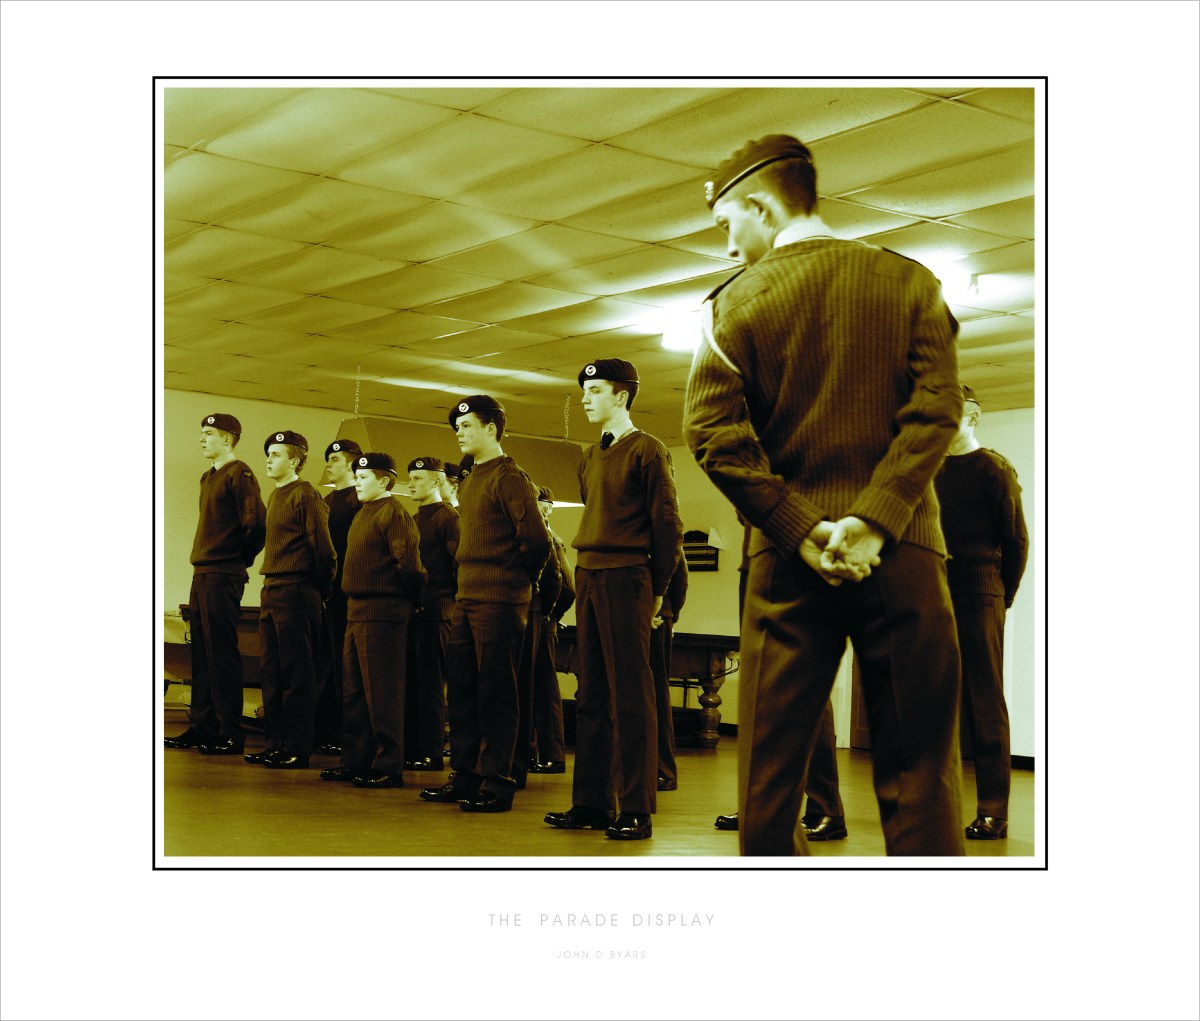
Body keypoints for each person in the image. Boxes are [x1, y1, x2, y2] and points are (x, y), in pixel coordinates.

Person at [684, 134, 965, 856]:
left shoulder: (730, 307)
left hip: (786, 567)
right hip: (904, 555)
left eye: (727, 225)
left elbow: (713, 434)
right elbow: (937, 410)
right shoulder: (912, 284)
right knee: (922, 773)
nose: (728, 246)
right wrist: (874, 521)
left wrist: (802, 529)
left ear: (760, 206)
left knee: (769, 783)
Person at [545, 359, 683, 841]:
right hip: (590, 574)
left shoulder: (648, 450)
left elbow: (667, 524)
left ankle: (636, 807)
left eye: (596, 390)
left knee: (631, 696)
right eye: (584, 390)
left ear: (622, 396)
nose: (586, 398)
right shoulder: (589, 456)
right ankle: (591, 803)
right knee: (592, 694)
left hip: (628, 578)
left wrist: (659, 589)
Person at [419, 395, 550, 814]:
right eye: (457, 427)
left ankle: (497, 781)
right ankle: (466, 775)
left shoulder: (510, 477)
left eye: (467, 426)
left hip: (500, 598)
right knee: (462, 690)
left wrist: (517, 581)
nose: (459, 433)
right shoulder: (472, 478)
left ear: (491, 429)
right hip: (467, 597)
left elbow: (537, 541)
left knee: (496, 692)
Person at [934, 384, 1029, 840]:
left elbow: (1017, 541)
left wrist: (999, 596)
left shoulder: (993, 469)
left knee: (985, 702)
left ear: (971, 417)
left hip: (980, 596)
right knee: (936, 702)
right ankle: (939, 803)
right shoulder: (929, 471)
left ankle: (994, 810)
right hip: (935, 598)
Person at [320, 453, 425, 788]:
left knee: (383, 692)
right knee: (353, 693)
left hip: (383, 613)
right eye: (356, 477)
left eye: (363, 477)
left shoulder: (394, 514)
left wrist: (411, 602)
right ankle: (356, 760)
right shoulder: (363, 513)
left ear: (384, 481)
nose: (357, 483)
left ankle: (388, 765)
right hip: (356, 611)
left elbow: (410, 568)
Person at [166, 413, 266, 755]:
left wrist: (237, 561)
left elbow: (256, 526)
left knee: (221, 653)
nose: (202, 438)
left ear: (227, 439)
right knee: (202, 653)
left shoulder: (240, 474)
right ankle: (203, 725)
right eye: (202, 433)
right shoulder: (208, 476)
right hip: (203, 571)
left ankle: (229, 732)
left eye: (209, 433)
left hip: (223, 573)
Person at [245, 430, 336, 770]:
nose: (269, 460)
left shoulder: (306, 495)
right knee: (272, 672)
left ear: (295, 460)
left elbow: (324, 551)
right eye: (268, 454)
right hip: (272, 589)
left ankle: (297, 747)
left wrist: (318, 591)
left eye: (276, 454)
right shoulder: (276, 495)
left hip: (297, 590)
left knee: (297, 674)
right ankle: (275, 744)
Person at [403, 456, 458, 772]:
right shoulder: (413, 519)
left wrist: (449, 603)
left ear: (437, 481)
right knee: (413, 683)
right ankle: (413, 747)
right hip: (414, 613)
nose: (411, 484)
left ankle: (431, 750)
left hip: (437, 612)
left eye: (418, 479)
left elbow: (458, 565)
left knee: (431, 684)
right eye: (410, 478)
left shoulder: (447, 518)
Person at [313, 438, 362, 756]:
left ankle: (343, 729)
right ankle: (324, 726)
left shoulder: (359, 500)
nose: (329, 464)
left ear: (351, 463)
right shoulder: (326, 500)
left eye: (335, 459)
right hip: (326, 591)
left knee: (345, 663)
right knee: (325, 661)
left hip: (347, 592)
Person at [528, 486, 575, 774]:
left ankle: (552, 755)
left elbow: (565, 585)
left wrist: (549, 614)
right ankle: (536, 752)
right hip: (542, 619)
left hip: (541, 621)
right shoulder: (547, 536)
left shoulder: (548, 539)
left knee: (544, 689)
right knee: (536, 688)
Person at [652, 554, 688, 792]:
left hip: (658, 615)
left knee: (657, 694)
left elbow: (680, 579)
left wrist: (670, 614)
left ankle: (663, 769)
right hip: (656, 612)